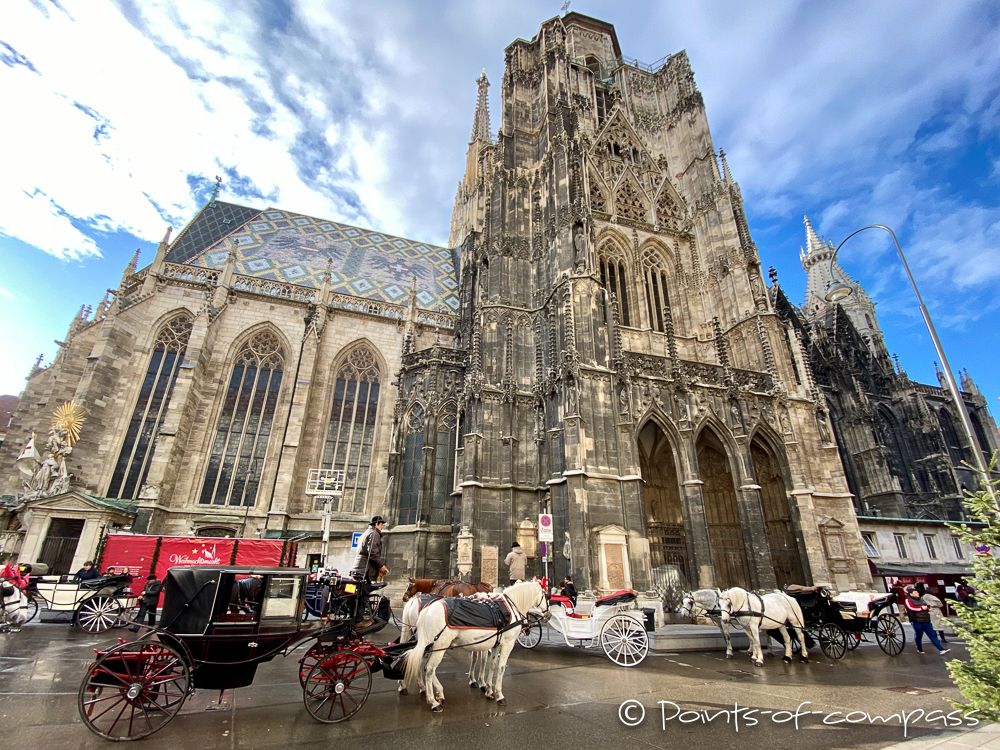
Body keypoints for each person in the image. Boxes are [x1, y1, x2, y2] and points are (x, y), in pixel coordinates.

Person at [350, 516, 387, 628]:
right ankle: (358, 621)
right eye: (381, 525)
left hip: (359, 568)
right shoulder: (374, 534)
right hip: (364, 570)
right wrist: (381, 566)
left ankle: (355, 618)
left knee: (357, 595)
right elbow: (373, 552)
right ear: (376, 524)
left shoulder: (366, 533)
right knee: (363, 595)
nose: (382, 527)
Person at [904, 588, 949, 655]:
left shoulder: (921, 599)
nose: (917, 594)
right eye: (915, 593)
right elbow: (910, 608)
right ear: (911, 594)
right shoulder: (908, 600)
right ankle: (919, 648)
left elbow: (927, 605)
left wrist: (928, 608)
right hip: (917, 620)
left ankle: (941, 649)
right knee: (919, 635)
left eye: (917, 592)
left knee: (932, 635)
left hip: (926, 620)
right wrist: (921, 608)